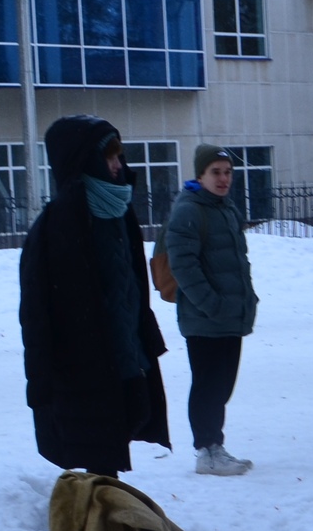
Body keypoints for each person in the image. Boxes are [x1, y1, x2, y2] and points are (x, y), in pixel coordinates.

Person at [19, 116, 170, 476]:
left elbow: (132, 288)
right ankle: (105, 524)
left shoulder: (119, 213)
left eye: (119, 156)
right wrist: (41, 391)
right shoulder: (56, 227)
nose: (119, 165)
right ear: (84, 160)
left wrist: (143, 341)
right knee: (101, 454)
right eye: (110, 157)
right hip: (82, 370)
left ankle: (108, 518)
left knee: (121, 433)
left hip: (126, 358)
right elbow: (36, 316)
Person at [163, 144, 260, 476]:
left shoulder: (226, 208)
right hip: (204, 318)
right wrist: (212, 304)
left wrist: (248, 300)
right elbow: (183, 266)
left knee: (222, 386)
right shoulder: (189, 211)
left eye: (227, 172)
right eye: (215, 172)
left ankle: (215, 446)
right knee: (208, 385)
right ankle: (207, 450)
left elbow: (238, 262)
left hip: (230, 315)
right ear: (200, 175)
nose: (223, 179)